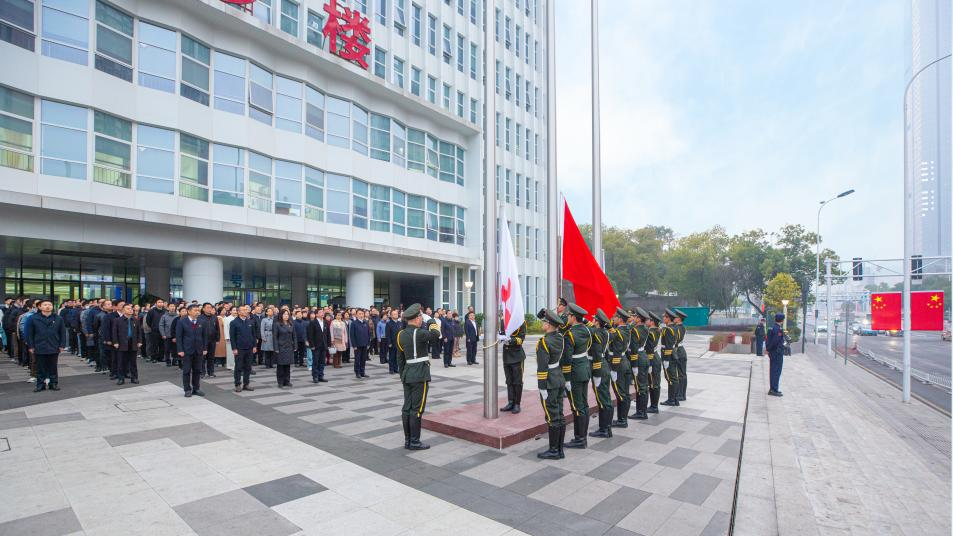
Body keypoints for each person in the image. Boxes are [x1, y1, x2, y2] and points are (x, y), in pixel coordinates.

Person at [395, 303, 442, 450]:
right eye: (421, 317)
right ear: (416, 318)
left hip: (407, 374)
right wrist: (432, 320)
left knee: (407, 408)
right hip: (420, 375)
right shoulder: (420, 333)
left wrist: (403, 375)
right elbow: (436, 334)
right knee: (417, 409)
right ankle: (415, 442)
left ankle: (408, 440)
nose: (422, 319)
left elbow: (400, 359)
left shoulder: (401, 334)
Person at [535, 309, 567, 460]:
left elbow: (542, 367)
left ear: (548, 325)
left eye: (544, 322)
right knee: (559, 414)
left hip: (549, 382)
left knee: (551, 416)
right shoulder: (560, 338)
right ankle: (559, 449)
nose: (542, 324)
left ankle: (554, 450)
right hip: (559, 378)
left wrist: (542, 387)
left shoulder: (544, 342)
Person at [562, 303, 592, 448]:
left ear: (573, 317)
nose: (567, 317)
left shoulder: (570, 334)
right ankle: (582, 437)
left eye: (568, 315)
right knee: (584, 405)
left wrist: (566, 379)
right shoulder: (587, 330)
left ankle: (580, 439)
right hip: (585, 369)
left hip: (574, 373)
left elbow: (567, 359)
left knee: (577, 406)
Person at [25, 299, 67, 392]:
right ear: (40, 307)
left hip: (54, 345)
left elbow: (62, 333)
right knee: (40, 367)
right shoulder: (33, 318)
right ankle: (40, 384)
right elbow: (30, 333)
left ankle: (53, 383)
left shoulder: (58, 318)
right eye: (45, 305)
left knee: (53, 367)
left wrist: (62, 345)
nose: (47, 306)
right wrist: (31, 346)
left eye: (49, 305)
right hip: (39, 345)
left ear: (52, 307)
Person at [588, 309, 613, 438]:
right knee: (606, 398)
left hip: (599, 367)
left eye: (594, 319)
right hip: (604, 365)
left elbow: (597, 354)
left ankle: (604, 430)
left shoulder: (596, 334)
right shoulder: (606, 333)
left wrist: (596, 373)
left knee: (602, 400)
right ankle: (607, 428)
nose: (592, 321)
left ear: (597, 322)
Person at [176, 303, 208, 398]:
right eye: (195, 310)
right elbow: (179, 337)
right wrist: (180, 350)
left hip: (198, 350)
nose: (197, 312)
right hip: (187, 350)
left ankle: (196, 388)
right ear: (189, 311)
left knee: (197, 370)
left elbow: (205, 336)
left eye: (198, 310)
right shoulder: (182, 322)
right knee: (186, 370)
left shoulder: (202, 322)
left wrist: (205, 348)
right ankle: (187, 389)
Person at [609, 308, 632, 427]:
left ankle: (622, 420)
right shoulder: (626, 329)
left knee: (620, 393)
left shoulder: (619, 332)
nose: (613, 319)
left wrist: (614, 368)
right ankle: (622, 419)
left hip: (618, 364)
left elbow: (617, 351)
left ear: (620, 319)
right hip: (625, 362)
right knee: (625, 393)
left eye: (615, 317)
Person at [628, 307, 651, 421]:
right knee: (644, 386)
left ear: (639, 318)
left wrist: (634, 365)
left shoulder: (635, 330)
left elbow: (634, 349)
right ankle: (643, 411)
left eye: (635, 317)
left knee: (640, 387)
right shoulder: (646, 328)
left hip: (638, 359)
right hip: (644, 356)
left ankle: (641, 412)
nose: (634, 318)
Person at [111, 303, 142, 385]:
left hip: (133, 343)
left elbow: (139, 332)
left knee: (133, 362)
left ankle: (134, 378)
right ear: (123, 310)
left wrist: (139, 341)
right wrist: (115, 342)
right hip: (121, 343)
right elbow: (114, 332)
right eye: (128, 309)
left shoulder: (135, 320)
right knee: (121, 362)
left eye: (131, 308)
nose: (130, 310)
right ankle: (121, 379)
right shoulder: (117, 320)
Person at [500, 319, 526, 413]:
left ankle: (517, 404)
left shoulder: (520, 321)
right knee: (509, 381)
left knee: (517, 382)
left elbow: (521, 339)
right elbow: (502, 333)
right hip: (506, 355)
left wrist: (510, 340)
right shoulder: (504, 321)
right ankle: (510, 402)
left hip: (517, 356)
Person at [229, 304, 257, 392]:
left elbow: (253, 335)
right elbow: (232, 337)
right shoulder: (234, 322)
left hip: (249, 348)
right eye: (243, 310)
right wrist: (234, 348)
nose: (246, 311)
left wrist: (254, 346)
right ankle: (237, 384)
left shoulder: (250, 322)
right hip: (239, 348)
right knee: (238, 367)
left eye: (246, 310)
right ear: (239, 312)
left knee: (248, 367)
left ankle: (246, 384)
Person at [660, 309, 681, 406]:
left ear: (668, 318)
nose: (663, 318)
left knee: (671, 378)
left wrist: (666, 359)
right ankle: (675, 399)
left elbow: (668, 345)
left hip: (668, 355)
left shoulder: (668, 329)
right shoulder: (675, 327)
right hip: (673, 354)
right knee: (674, 378)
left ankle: (671, 400)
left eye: (664, 317)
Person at [273, 309, 296, 388]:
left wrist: (295, 346)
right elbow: (275, 337)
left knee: (287, 365)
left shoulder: (291, 323)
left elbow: (294, 336)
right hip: (281, 347)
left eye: (287, 314)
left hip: (289, 347)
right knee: (280, 365)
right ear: (281, 315)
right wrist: (276, 348)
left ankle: (287, 381)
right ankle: (280, 381)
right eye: (284, 314)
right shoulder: (277, 324)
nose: (286, 316)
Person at [645, 311, 663, 413]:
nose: (646, 321)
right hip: (655, 358)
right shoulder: (656, 330)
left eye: (648, 320)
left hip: (652, 359)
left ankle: (654, 406)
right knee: (654, 383)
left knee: (653, 384)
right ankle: (653, 405)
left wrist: (650, 363)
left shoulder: (650, 333)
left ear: (652, 322)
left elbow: (650, 349)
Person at [766, 313, 785, 396]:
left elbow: (768, 340)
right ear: (782, 320)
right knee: (776, 372)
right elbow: (775, 341)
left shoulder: (772, 327)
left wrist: (768, 350)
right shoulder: (778, 329)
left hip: (773, 353)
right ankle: (773, 389)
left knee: (774, 371)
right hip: (777, 353)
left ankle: (773, 388)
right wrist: (770, 350)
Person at [349, 309, 371, 378]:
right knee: (357, 359)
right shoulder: (354, 323)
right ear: (356, 315)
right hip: (357, 345)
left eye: (362, 314)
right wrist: (354, 345)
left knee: (363, 359)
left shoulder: (365, 322)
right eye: (359, 314)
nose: (361, 315)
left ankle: (362, 372)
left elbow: (368, 333)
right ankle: (357, 372)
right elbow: (352, 335)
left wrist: (368, 343)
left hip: (365, 344)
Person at [308, 310, 328, 383]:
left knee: (322, 362)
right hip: (316, 346)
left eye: (323, 312)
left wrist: (328, 344)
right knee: (315, 362)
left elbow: (327, 334)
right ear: (316, 314)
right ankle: (315, 376)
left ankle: (321, 376)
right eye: (320, 312)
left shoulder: (325, 322)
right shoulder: (313, 322)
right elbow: (310, 335)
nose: (322, 313)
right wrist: (312, 345)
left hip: (323, 345)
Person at [673, 308, 688, 401]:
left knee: (680, 374)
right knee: (683, 374)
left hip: (678, 350)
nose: (673, 318)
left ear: (678, 318)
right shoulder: (683, 327)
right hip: (681, 350)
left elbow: (675, 340)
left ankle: (680, 395)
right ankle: (682, 394)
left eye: (675, 317)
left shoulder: (677, 328)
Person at [385, 309, 402, 374]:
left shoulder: (400, 323)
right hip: (392, 343)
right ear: (391, 316)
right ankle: (391, 369)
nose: (396, 315)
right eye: (394, 314)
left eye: (396, 314)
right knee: (392, 356)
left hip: (398, 343)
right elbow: (387, 334)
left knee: (397, 357)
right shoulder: (389, 324)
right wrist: (389, 343)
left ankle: (396, 368)